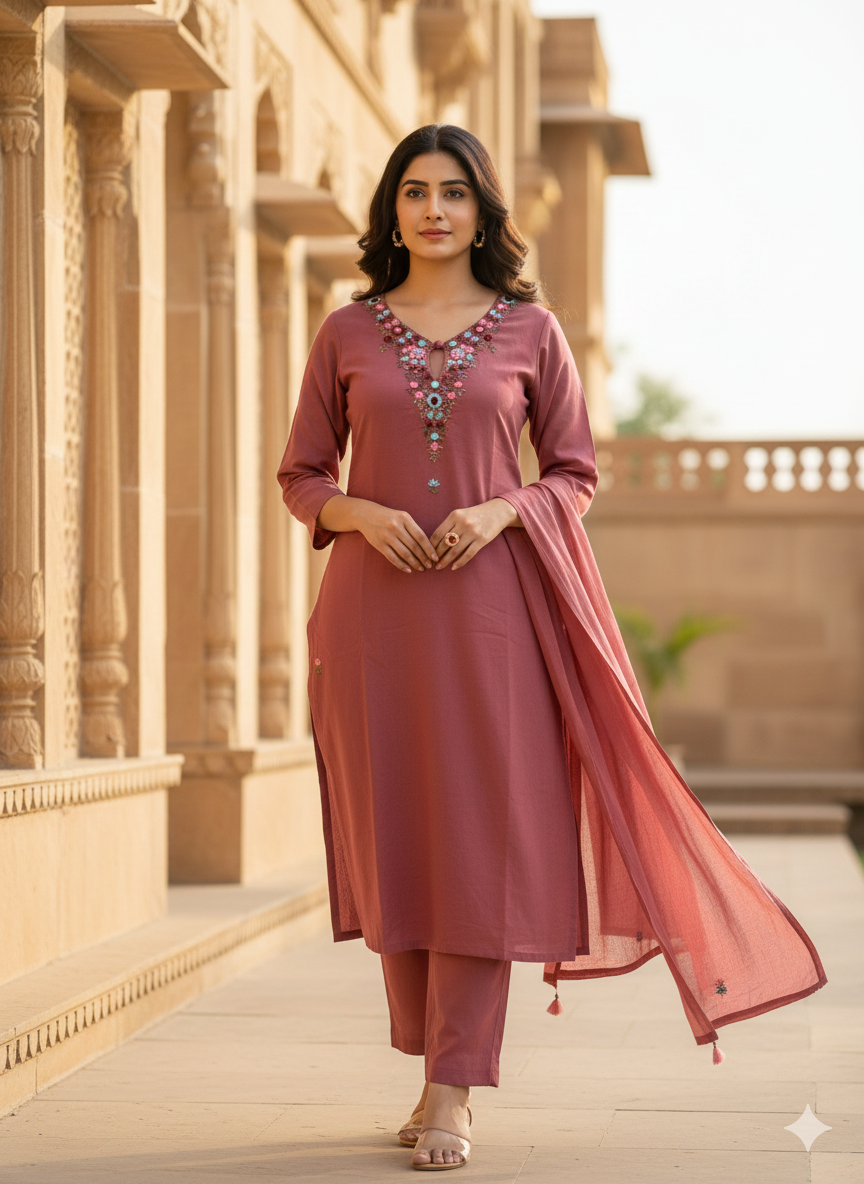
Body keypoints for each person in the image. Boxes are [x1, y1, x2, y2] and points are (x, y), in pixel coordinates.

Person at [277, 124, 826, 1172]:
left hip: (494, 618)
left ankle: (454, 1086)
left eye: (454, 192)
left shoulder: (531, 331)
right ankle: (429, 1056)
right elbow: (302, 471)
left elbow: (574, 469)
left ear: (485, 210)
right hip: (372, 622)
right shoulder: (347, 333)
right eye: (415, 191)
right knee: (401, 833)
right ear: (392, 209)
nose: (434, 209)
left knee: (477, 840)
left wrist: (501, 513)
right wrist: (352, 511)